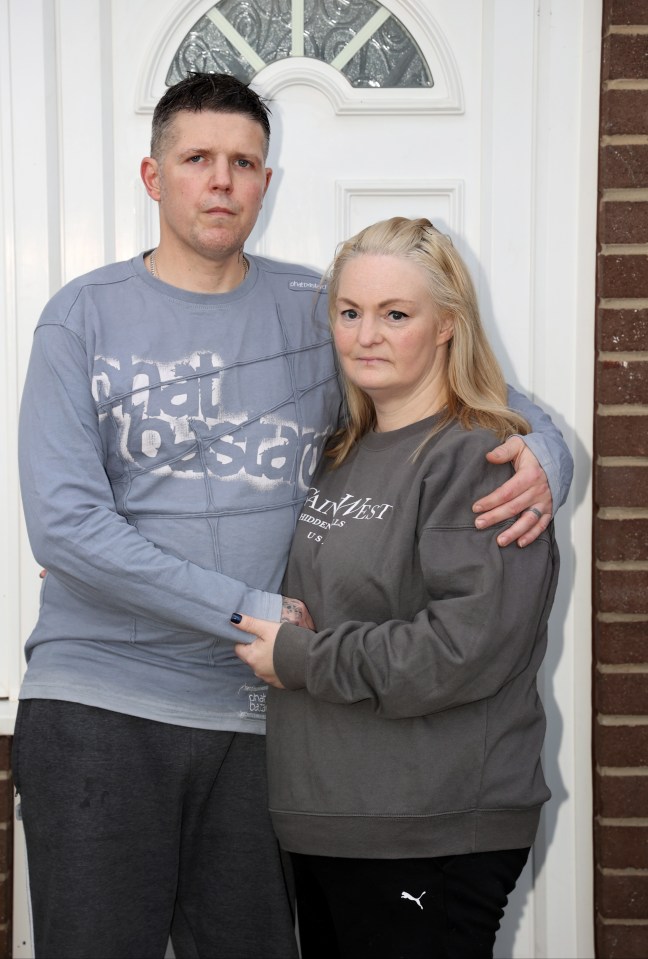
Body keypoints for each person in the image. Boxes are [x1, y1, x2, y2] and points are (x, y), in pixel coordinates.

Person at [14, 71, 569, 959]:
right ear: (155, 177)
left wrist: (551, 453)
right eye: (197, 158)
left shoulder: (317, 314)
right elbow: (67, 529)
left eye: (243, 162)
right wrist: (250, 609)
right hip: (103, 704)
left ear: (267, 183)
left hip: (260, 724)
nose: (222, 180)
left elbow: (483, 391)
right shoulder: (81, 319)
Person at [233, 217, 561, 959]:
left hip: (431, 824)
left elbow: (462, 647)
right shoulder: (341, 451)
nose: (366, 335)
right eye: (350, 312)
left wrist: (301, 657)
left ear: (447, 324)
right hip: (330, 820)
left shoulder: (478, 456)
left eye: (395, 314)